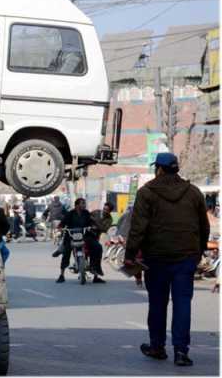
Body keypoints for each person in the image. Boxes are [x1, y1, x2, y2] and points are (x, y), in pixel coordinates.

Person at [124, 153, 210, 367]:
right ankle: (181, 352)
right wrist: (197, 252)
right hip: (186, 258)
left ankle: (157, 347)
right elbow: (204, 227)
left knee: (157, 303)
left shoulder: (147, 193)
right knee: (182, 304)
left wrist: (130, 255)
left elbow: (138, 228)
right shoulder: (193, 192)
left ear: (159, 169)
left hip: (157, 258)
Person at [54, 197, 105, 284]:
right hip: (71, 236)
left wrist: (93, 226)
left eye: (84, 203)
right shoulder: (70, 214)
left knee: (97, 247)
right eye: (83, 203)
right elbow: (62, 223)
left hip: (84, 236)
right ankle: (61, 275)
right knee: (66, 253)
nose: (84, 205)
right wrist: (60, 228)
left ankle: (95, 273)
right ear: (77, 205)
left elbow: (91, 222)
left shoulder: (86, 213)